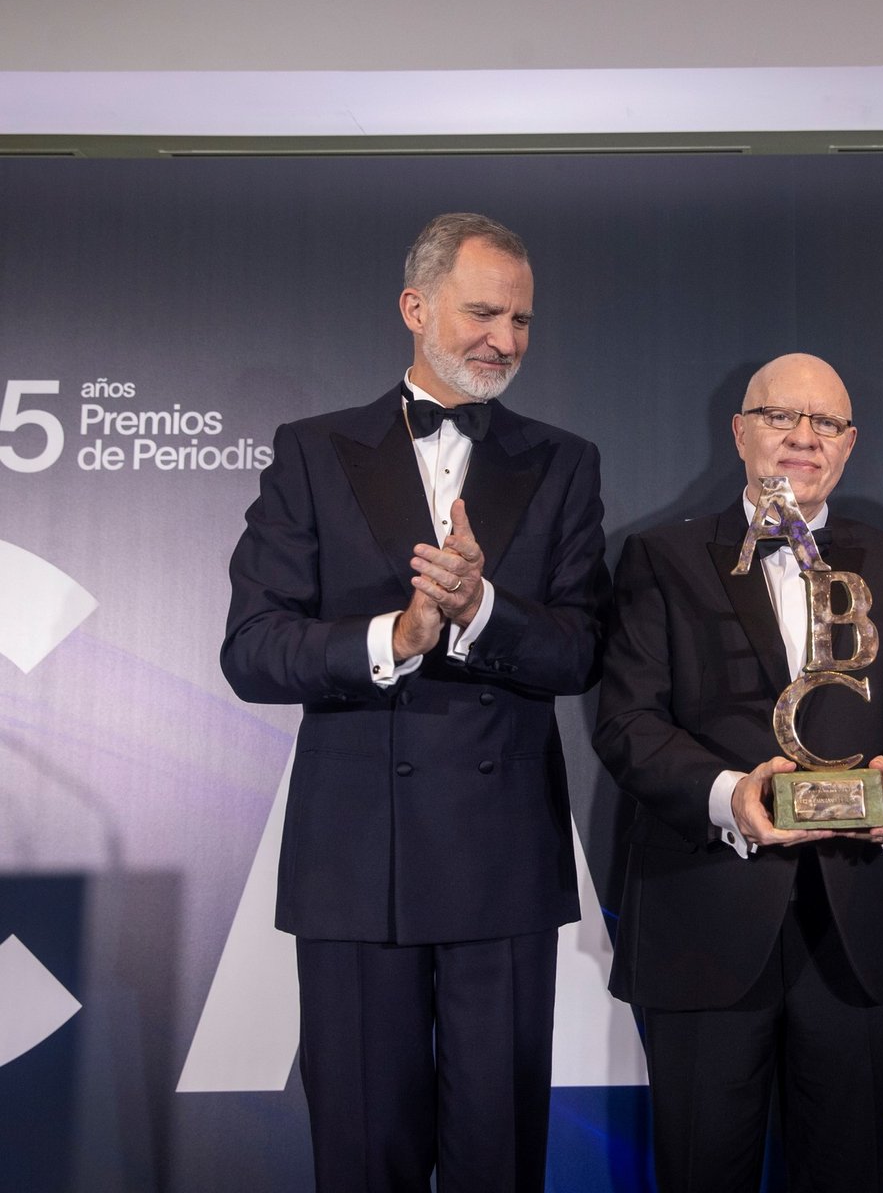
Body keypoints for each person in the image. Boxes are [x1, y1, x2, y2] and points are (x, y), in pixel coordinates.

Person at [220, 212, 607, 1192]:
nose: (505, 341)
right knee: (361, 1154)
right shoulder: (312, 453)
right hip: (357, 863)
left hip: (501, 860)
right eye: (483, 313)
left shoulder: (562, 462)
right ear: (415, 307)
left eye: (521, 320)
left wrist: (480, 608)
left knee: (499, 1157)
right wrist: (390, 640)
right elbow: (252, 651)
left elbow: (579, 651)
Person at [593, 352, 883, 1193]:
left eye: (826, 422)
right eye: (779, 417)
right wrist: (734, 798)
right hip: (705, 920)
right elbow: (627, 723)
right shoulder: (662, 558)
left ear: (850, 443)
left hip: (855, 922)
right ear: (739, 432)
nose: (804, 437)